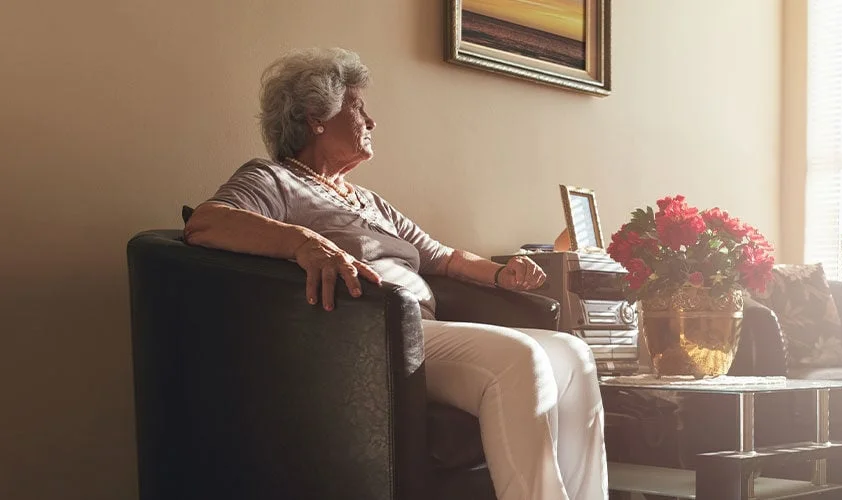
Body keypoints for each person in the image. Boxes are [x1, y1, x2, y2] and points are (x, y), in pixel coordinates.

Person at [183, 47, 607, 500]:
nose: (371, 121)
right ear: (316, 118)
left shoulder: (368, 201)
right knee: (519, 358)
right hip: (372, 334)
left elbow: (443, 257)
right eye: (357, 107)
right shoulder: (274, 179)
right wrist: (305, 242)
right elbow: (206, 222)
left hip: (424, 328)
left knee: (571, 352)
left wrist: (502, 274)